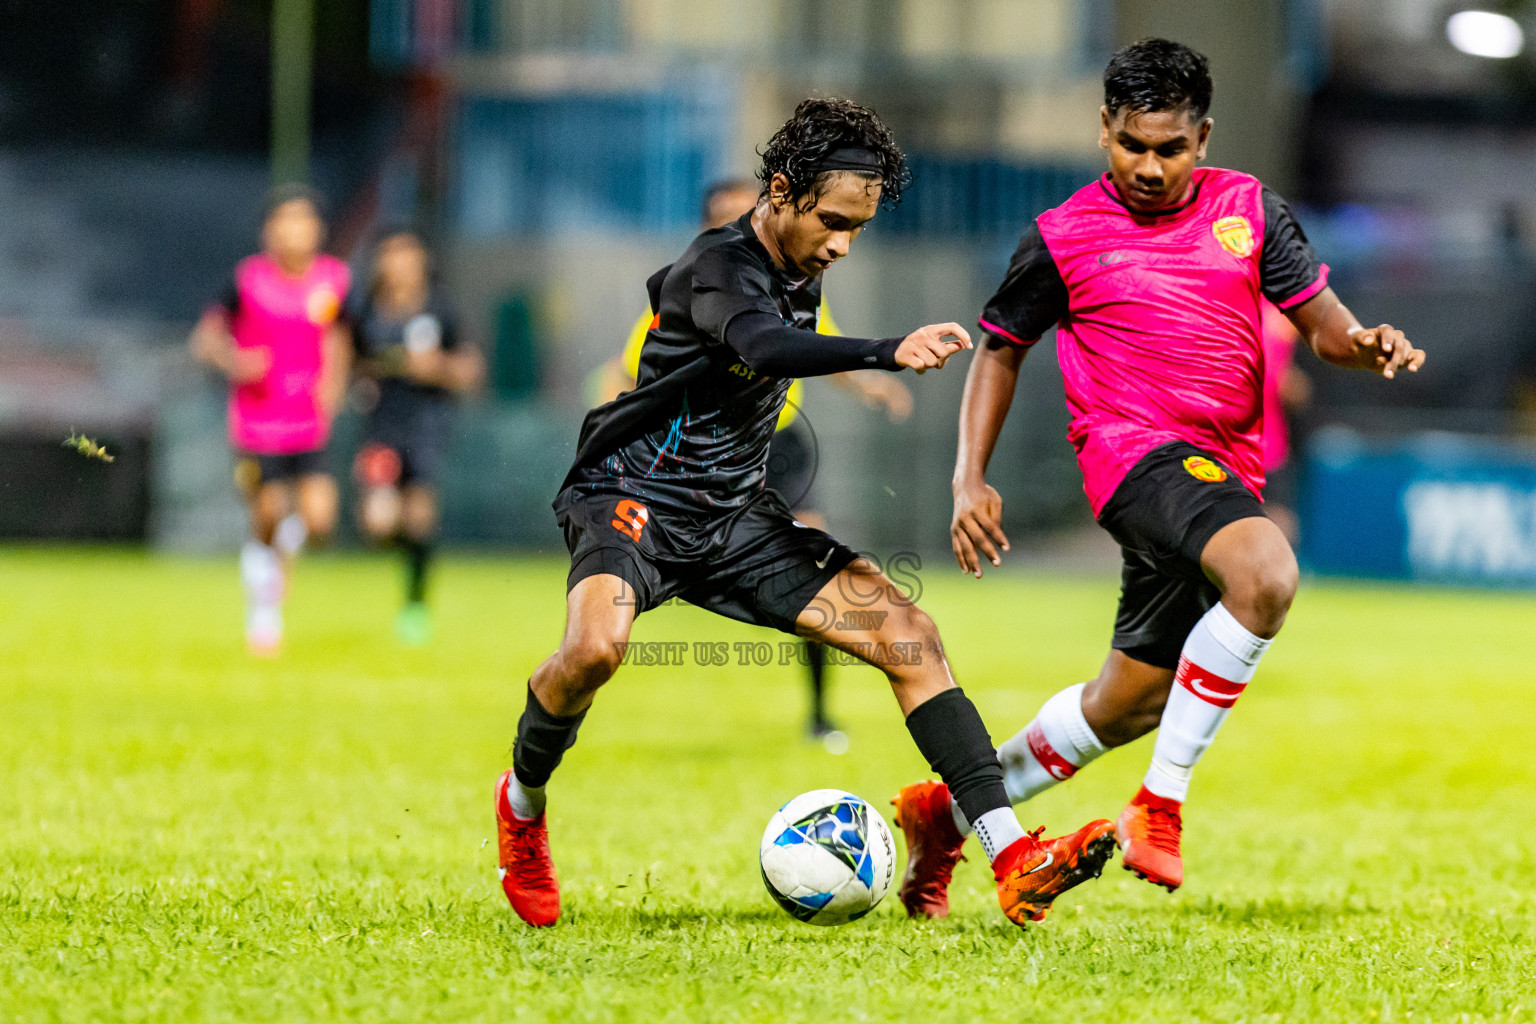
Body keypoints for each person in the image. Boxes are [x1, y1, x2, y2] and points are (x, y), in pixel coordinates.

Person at [494, 98, 1116, 930]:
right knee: (594, 650)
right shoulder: (718, 265)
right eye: (831, 222)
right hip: (631, 496)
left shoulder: (802, 260)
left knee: (911, 637)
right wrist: (881, 349)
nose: (841, 245)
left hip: (736, 518)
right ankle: (523, 808)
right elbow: (758, 345)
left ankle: (1011, 857)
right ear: (781, 191)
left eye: (856, 230)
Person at [895, 38, 1426, 912]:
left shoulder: (1248, 211)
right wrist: (969, 479)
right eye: (1131, 145)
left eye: (1169, 149)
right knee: (1265, 574)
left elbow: (1325, 325)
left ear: (1203, 138)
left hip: (1222, 472)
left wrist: (1363, 347)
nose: (1148, 166)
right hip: (1131, 455)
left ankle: (944, 821)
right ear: (1104, 127)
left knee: (1129, 702)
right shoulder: (1062, 236)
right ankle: (1160, 805)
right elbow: (1000, 351)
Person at [596, 178, 914, 749]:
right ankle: (592, 666)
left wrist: (870, 386)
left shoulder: (795, 284)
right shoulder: (690, 289)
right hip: (704, 458)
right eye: (724, 217)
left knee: (816, 565)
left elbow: (816, 347)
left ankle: (819, 713)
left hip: (783, 445)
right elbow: (629, 369)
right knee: (632, 579)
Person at [189, 185, 352, 656]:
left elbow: (342, 338)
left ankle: (280, 553)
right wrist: (234, 360)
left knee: (320, 519)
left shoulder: (334, 281)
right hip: (258, 423)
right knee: (265, 510)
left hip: (309, 422)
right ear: (268, 231)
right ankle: (263, 609)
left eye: (303, 220)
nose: (294, 230)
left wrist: (334, 387)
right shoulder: (247, 281)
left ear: (318, 229)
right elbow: (206, 339)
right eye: (285, 220)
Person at [348, 228, 484, 644]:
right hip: (381, 428)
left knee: (420, 514)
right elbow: (351, 361)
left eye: (407, 254)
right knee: (378, 522)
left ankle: (415, 604)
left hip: (427, 425)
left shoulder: (441, 308)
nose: (399, 264)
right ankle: (404, 549)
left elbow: (470, 369)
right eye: (390, 255)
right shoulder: (367, 310)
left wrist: (437, 368)